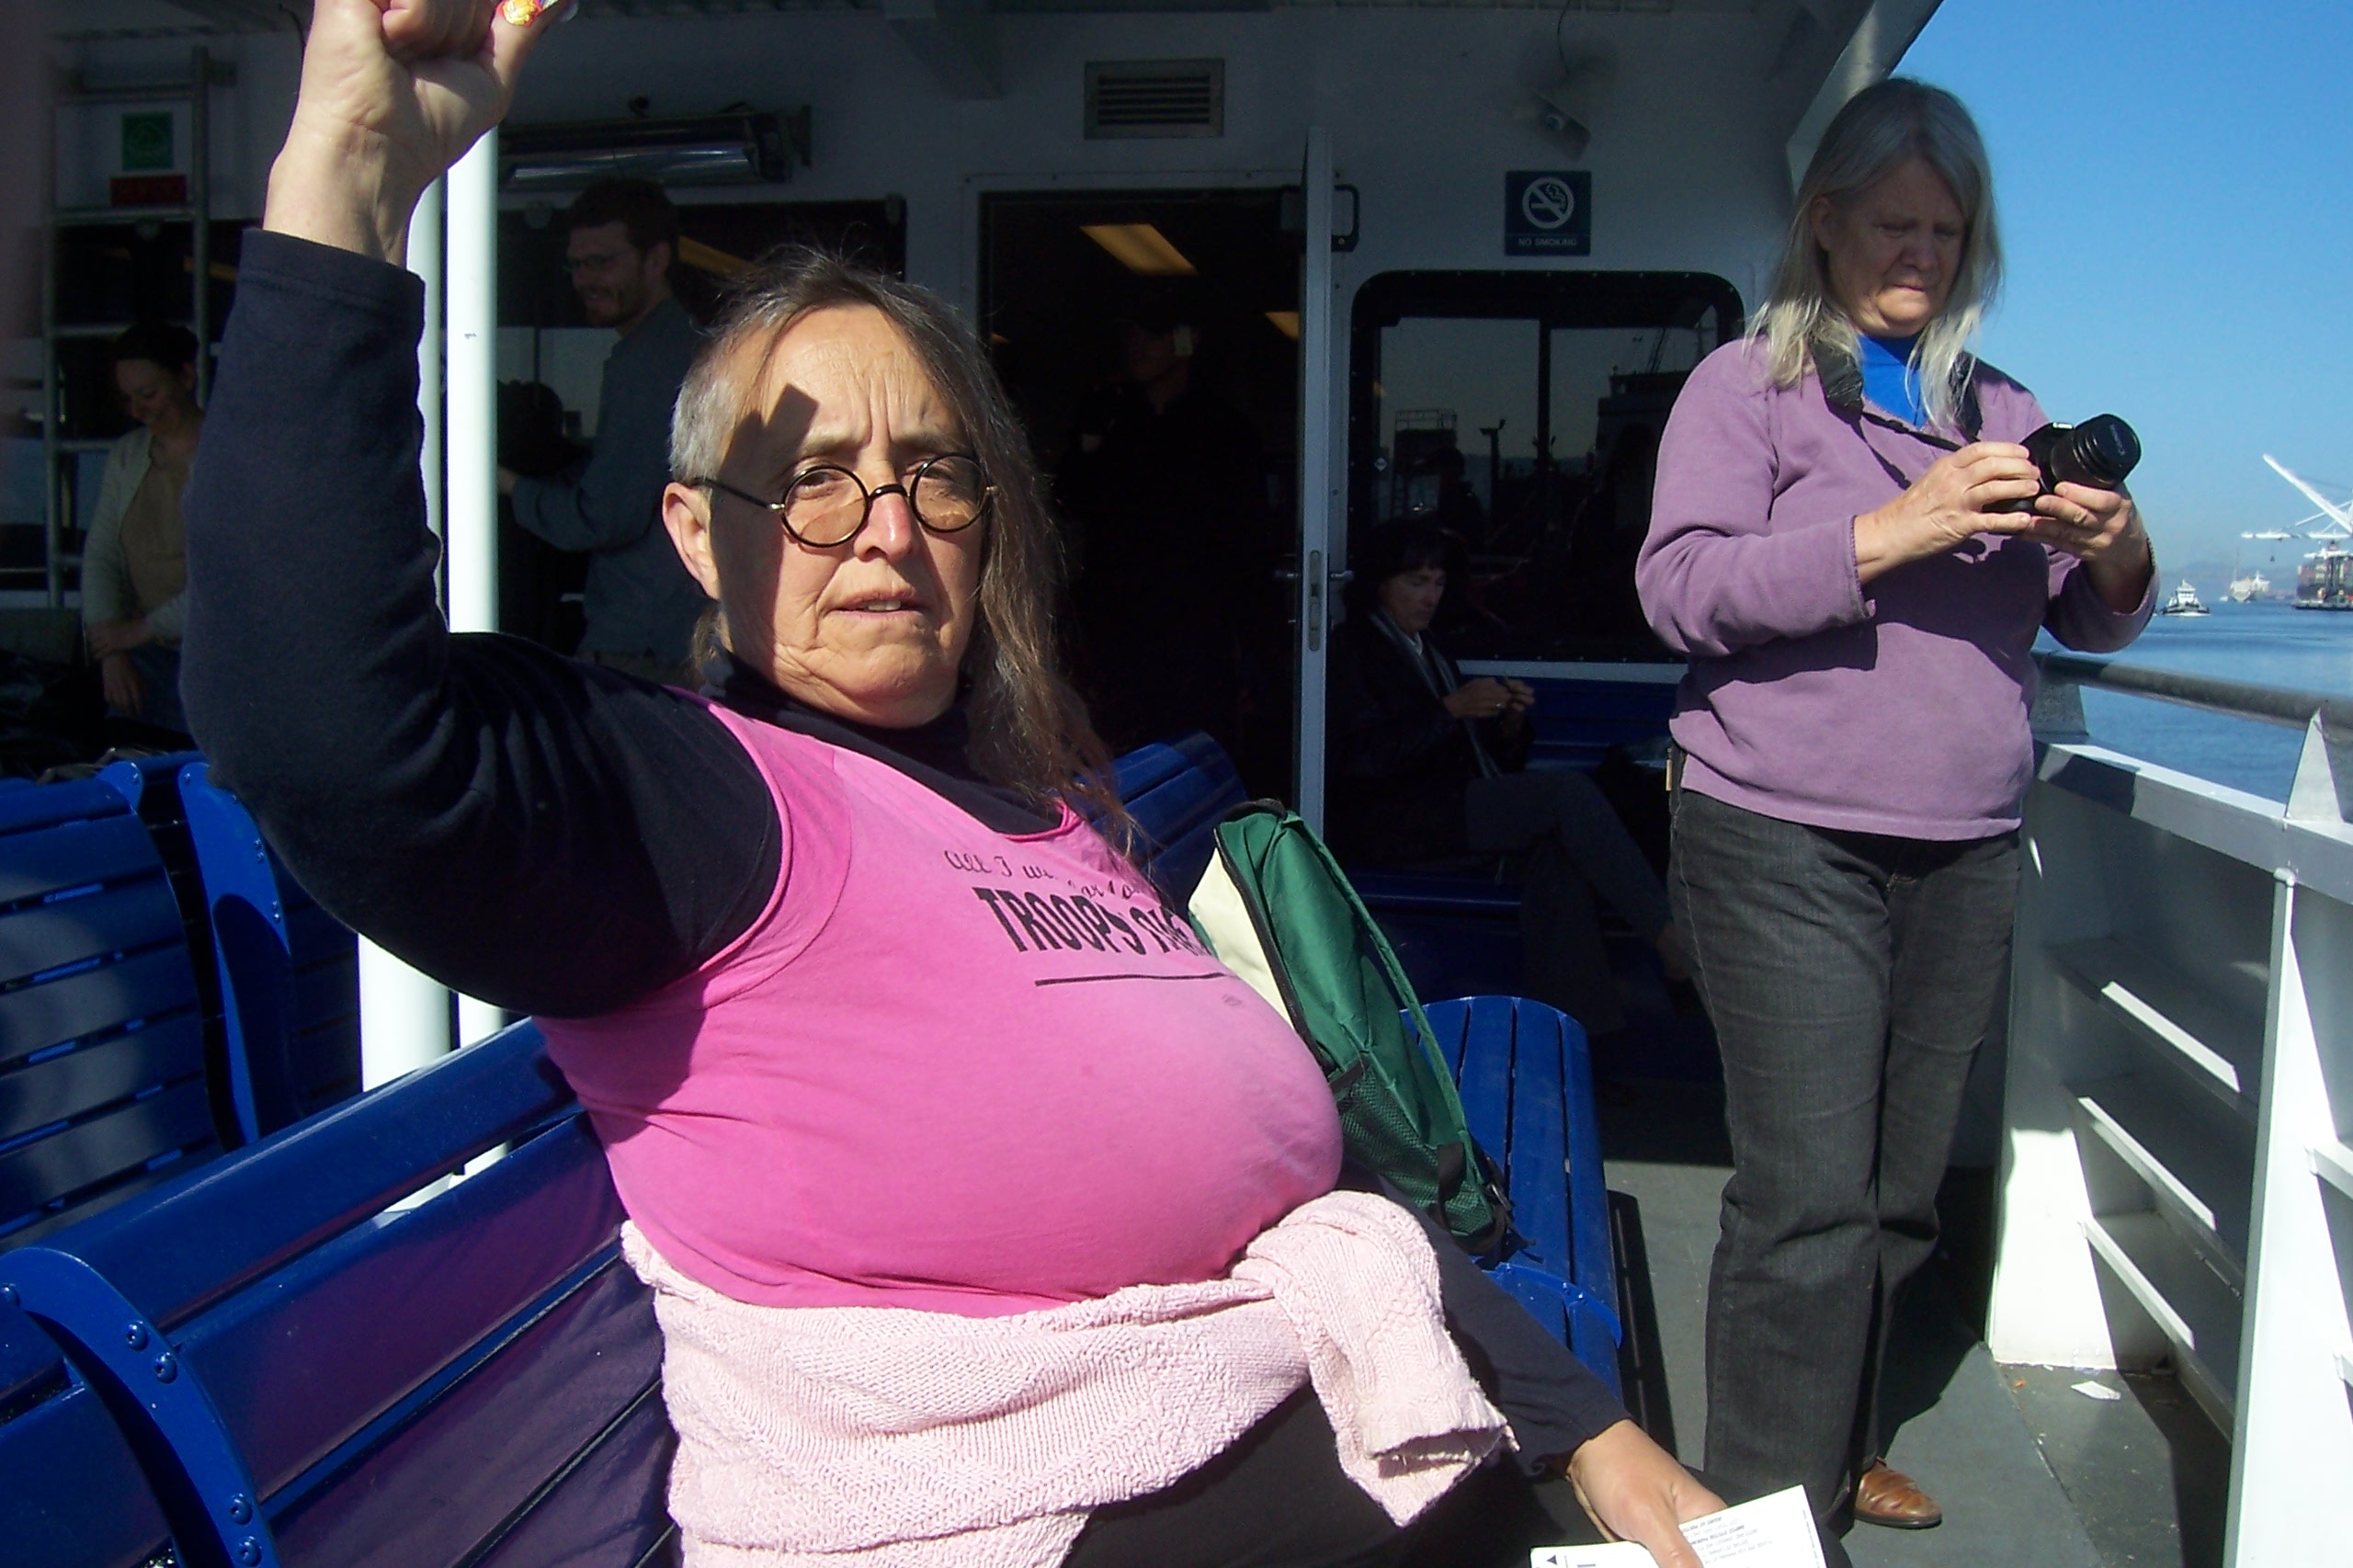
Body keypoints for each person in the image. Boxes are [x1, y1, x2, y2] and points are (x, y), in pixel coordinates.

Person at [183, 5, 1720, 1565]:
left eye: (934, 473)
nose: (889, 528)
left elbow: (1314, 1204)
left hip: (1349, 1426)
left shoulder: (1041, 806)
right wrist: (349, 180)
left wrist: (1594, 1431)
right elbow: (322, 732)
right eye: (816, 479)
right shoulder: (696, 794)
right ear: (699, 534)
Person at [1634, 78, 2154, 1559]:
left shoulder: (2006, 412)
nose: (1921, 252)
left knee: (1902, 1193)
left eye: (1947, 230)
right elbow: (1679, 587)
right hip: (1779, 830)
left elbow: (2091, 616)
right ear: (1827, 222)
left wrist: (2120, 548)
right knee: (1808, 1196)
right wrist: (1890, 531)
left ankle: (1841, 1438)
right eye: (1893, 224)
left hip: (1965, 840)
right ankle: (1765, 1518)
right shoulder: (1745, 387)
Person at [1328, 523, 1686, 1040]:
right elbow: (1360, 759)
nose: (1430, 597)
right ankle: (1669, 938)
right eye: (1416, 582)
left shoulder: (1426, 647)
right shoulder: (1355, 650)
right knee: (1564, 793)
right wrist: (1450, 710)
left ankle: (1577, 1038)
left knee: (1557, 860)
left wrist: (1508, 726)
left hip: (1446, 810)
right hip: (1397, 823)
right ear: (1379, 584)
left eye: (1438, 583)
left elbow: (1476, 757)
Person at [497, 174, 708, 683]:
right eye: (576, 264)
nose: (584, 279)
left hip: (645, 650)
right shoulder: (674, 347)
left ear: (655, 261)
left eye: (602, 262)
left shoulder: (650, 363)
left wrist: (503, 482)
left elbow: (601, 518)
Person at [1062, 289, 1270, 758]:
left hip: (1194, 632)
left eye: (1152, 334)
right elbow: (1071, 504)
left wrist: (1253, 645)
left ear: (1186, 340)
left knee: (1194, 755)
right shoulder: (1111, 418)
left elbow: (1249, 541)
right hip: (1115, 630)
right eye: (1130, 334)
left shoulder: (1223, 429)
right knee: (1120, 757)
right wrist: (1089, 442)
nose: (1136, 345)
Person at [83, 320, 204, 735]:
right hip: (146, 655)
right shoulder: (127, 455)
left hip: (219, 655)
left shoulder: (229, 458)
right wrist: (111, 651)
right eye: (128, 399)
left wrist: (136, 632)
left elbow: (230, 578)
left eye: (149, 394)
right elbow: (102, 554)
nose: (138, 411)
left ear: (186, 376)